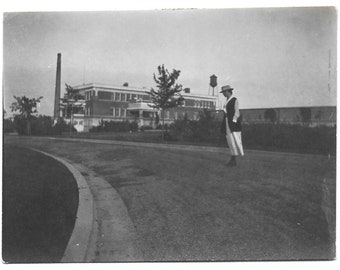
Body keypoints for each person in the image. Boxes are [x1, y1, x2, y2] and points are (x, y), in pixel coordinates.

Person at [220, 85, 244, 166]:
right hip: (227, 122)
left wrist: (233, 121)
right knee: (230, 140)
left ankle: (234, 158)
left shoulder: (234, 100)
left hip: (233, 123)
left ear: (228, 91)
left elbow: (237, 112)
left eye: (224, 92)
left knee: (235, 139)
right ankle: (233, 158)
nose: (223, 94)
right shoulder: (226, 101)